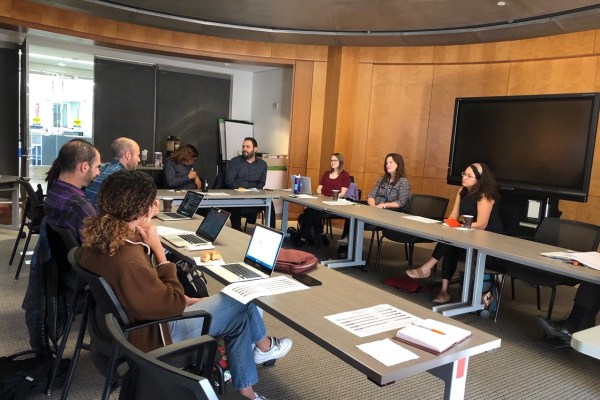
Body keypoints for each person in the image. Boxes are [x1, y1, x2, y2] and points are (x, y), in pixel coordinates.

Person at [79, 170, 291, 400]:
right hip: (157, 334)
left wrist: (185, 299)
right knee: (243, 296)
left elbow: (148, 294)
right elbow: (171, 305)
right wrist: (160, 254)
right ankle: (264, 346)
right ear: (144, 210)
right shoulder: (129, 260)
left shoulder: (101, 241)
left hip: (138, 325)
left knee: (238, 319)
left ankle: (248, 392)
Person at [23, 139, 101, 354]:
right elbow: (102, 249)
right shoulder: (80, 206)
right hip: (81, 278)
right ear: (84, 167)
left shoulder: (56, 191)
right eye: (96, 167)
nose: (98, 172)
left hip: (62, 272)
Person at [406, 162, 503, 303]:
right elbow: (454, 215)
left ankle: (426, 268)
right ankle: (444, 291)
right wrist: (450, 224)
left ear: (479, 179)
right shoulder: (462, 191)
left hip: (488, 239)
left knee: (451, 240)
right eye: (464, 174)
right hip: (469, 235)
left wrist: (460, 227)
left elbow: (482, 224)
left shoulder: (485, 196)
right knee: (449, 243)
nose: (464, 177)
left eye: (470, 176)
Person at [296, 153, 351, 246]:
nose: (332, 162)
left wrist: (329, 198)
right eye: (331, 160)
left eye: (335, 160)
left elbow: (342, 193)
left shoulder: (345, 175)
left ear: (340, 162)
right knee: (310, 211)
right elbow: (319, 188)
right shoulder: (326, 173)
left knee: (310, 212)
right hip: (321, 201)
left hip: (334, 204)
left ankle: (304, 237)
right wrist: (320, 194)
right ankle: (320, 233)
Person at [225, 137, 273, 231]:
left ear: (255, 149)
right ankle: (237, 230)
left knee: (270, 203)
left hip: (254, 195)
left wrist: (253, 191)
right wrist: (242, 190)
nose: (244, 149)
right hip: (238, 194)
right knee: (235, 203)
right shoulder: (235, 161)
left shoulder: (262, 164)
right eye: (243, 147)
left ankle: (272, 232)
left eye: (247, 147)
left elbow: (262, 183)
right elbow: (229, 181)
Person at [85, 137, 141, 205]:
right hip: (101, 214)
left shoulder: (101, 169)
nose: (139, 160)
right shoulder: (122, 177)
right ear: (128, 155)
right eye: (137, 155)